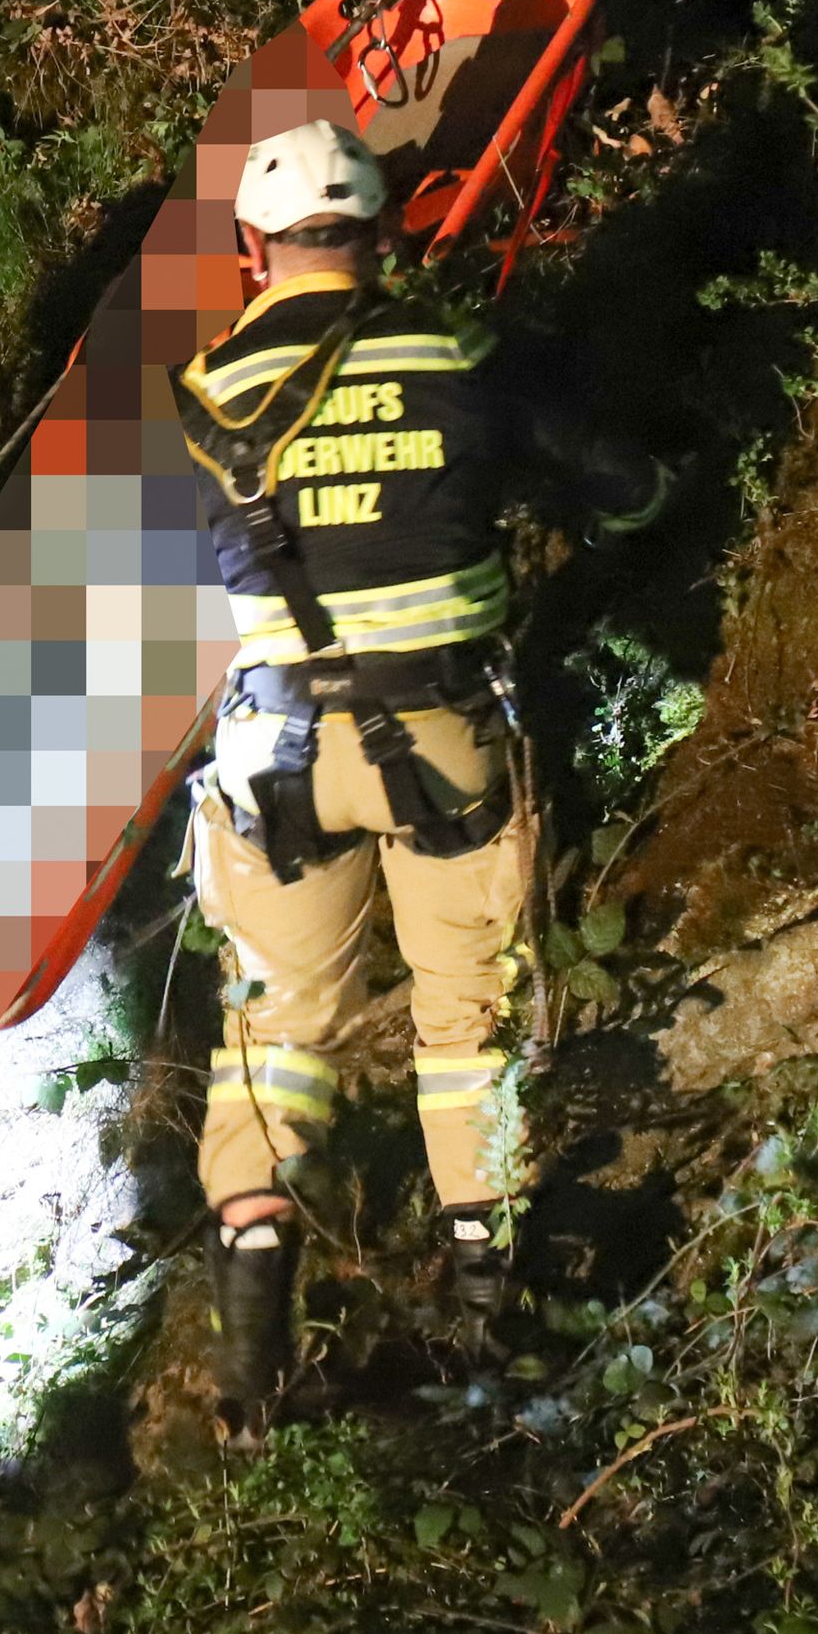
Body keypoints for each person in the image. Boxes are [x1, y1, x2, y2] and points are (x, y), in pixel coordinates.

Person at [169, 119, 666, 1439]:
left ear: (249, 252)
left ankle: (250, 1377)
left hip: (270, 756)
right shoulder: (458, 357)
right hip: (440, 736)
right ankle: (486, 1323)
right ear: (385, 235)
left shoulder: (204, 389)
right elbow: (623, 484)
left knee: (273, 1038)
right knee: (468, 1026)